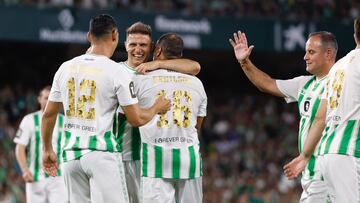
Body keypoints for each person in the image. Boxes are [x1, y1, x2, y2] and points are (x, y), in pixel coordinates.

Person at [41, 14, 170, 203]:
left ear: (88, 36)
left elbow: (49, 115)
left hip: (70, 156)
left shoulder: (65, 68)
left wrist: (47, 150)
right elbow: (137, 119)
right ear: (115, 36)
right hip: (101, 152)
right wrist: (157, 106)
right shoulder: (116, 71)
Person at [229, 30, 337, 202]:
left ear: (328, 53)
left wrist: (305, 156)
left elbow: (321, 119)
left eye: (311, 52)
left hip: (327, 172)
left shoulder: (342, 82)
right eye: (305, 52)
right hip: (310, 174)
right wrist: (244, 62)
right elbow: (267, 84)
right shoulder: (305, 84)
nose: (305, 57)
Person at [117, 21, 201, 203]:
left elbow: (195, 67)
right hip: (124, 156)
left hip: (151, 157)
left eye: (143, 45)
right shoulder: (117, 72)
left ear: (153, 48)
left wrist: (155, 64)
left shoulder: (151, 72)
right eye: (133, 44)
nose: (137, 49)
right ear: (125, 46)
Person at [284, 17, 360, 202]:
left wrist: (305, 156)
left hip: (327, 153)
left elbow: (321, 115)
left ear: (355, 36)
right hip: (346, 151)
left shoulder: (338, 67)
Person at [14, 86, 67, 203]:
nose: (49, 101)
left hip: (59, 177)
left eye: (52, 98)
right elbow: (20, 147)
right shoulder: (29, 120)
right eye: (46, 98)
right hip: (35, 177)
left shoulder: (65, 121)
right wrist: (24, 170)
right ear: (39, 99)